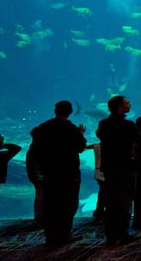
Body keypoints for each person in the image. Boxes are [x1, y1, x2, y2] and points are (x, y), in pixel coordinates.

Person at [29, 100, 87, 247]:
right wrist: (80, 134)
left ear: (55, 111)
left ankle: (51, 237)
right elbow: (80, 147)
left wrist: (43, 165)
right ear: (70, 111)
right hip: (69, 172)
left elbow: (34, 150)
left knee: (51, 204)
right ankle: (65, 234)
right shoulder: (71, 128)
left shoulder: (43, 128)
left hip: (50, 172)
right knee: (69, 203)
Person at [97, 95, 141, 245]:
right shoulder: (129, 125)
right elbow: (140, 143)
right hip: (126, 167)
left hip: (109, 167)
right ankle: (124, 232)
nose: (130, 105)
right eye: (127, 103)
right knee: (125, 200)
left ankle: (110, 234)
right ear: (119, 107)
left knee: (111, 201)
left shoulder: (103, 124)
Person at [84, 142, 106, 223]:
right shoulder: (113, 146)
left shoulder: (96, 146)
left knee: (102, 193)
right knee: (106, 194)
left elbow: (85, 146)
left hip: (98, 173)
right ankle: (101, 213)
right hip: (107, 174)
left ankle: (98, 213)